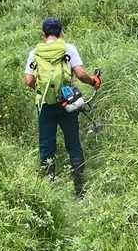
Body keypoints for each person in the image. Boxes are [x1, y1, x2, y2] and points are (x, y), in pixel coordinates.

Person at [25, 17, 100, 196]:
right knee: (73, 142)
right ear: (61, 33)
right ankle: (79, 188)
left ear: (43, 34)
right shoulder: (68, 48)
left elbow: (28, 80)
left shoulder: (35, 52)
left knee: (46, 145)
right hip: (67, 103)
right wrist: (93, 81)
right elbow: (80, 74)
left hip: (45, 105)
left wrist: (43, 91)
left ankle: (49, 190)